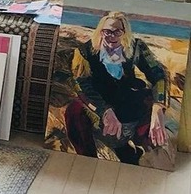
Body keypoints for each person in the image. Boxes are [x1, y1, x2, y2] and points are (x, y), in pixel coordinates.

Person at [64, 11, 168, 165]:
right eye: (107, 31)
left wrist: (158, 106)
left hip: (127, 99)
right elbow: (81, 84)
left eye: (117, 31)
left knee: (149, 108)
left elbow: (158, 75)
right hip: (100, 101)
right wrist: (104, 110)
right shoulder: (85, 52)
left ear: (124, 32)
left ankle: (145, 156)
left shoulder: (136, 47)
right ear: (101, 31)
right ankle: (87, 161)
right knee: (74, 111)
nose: (112, 36)